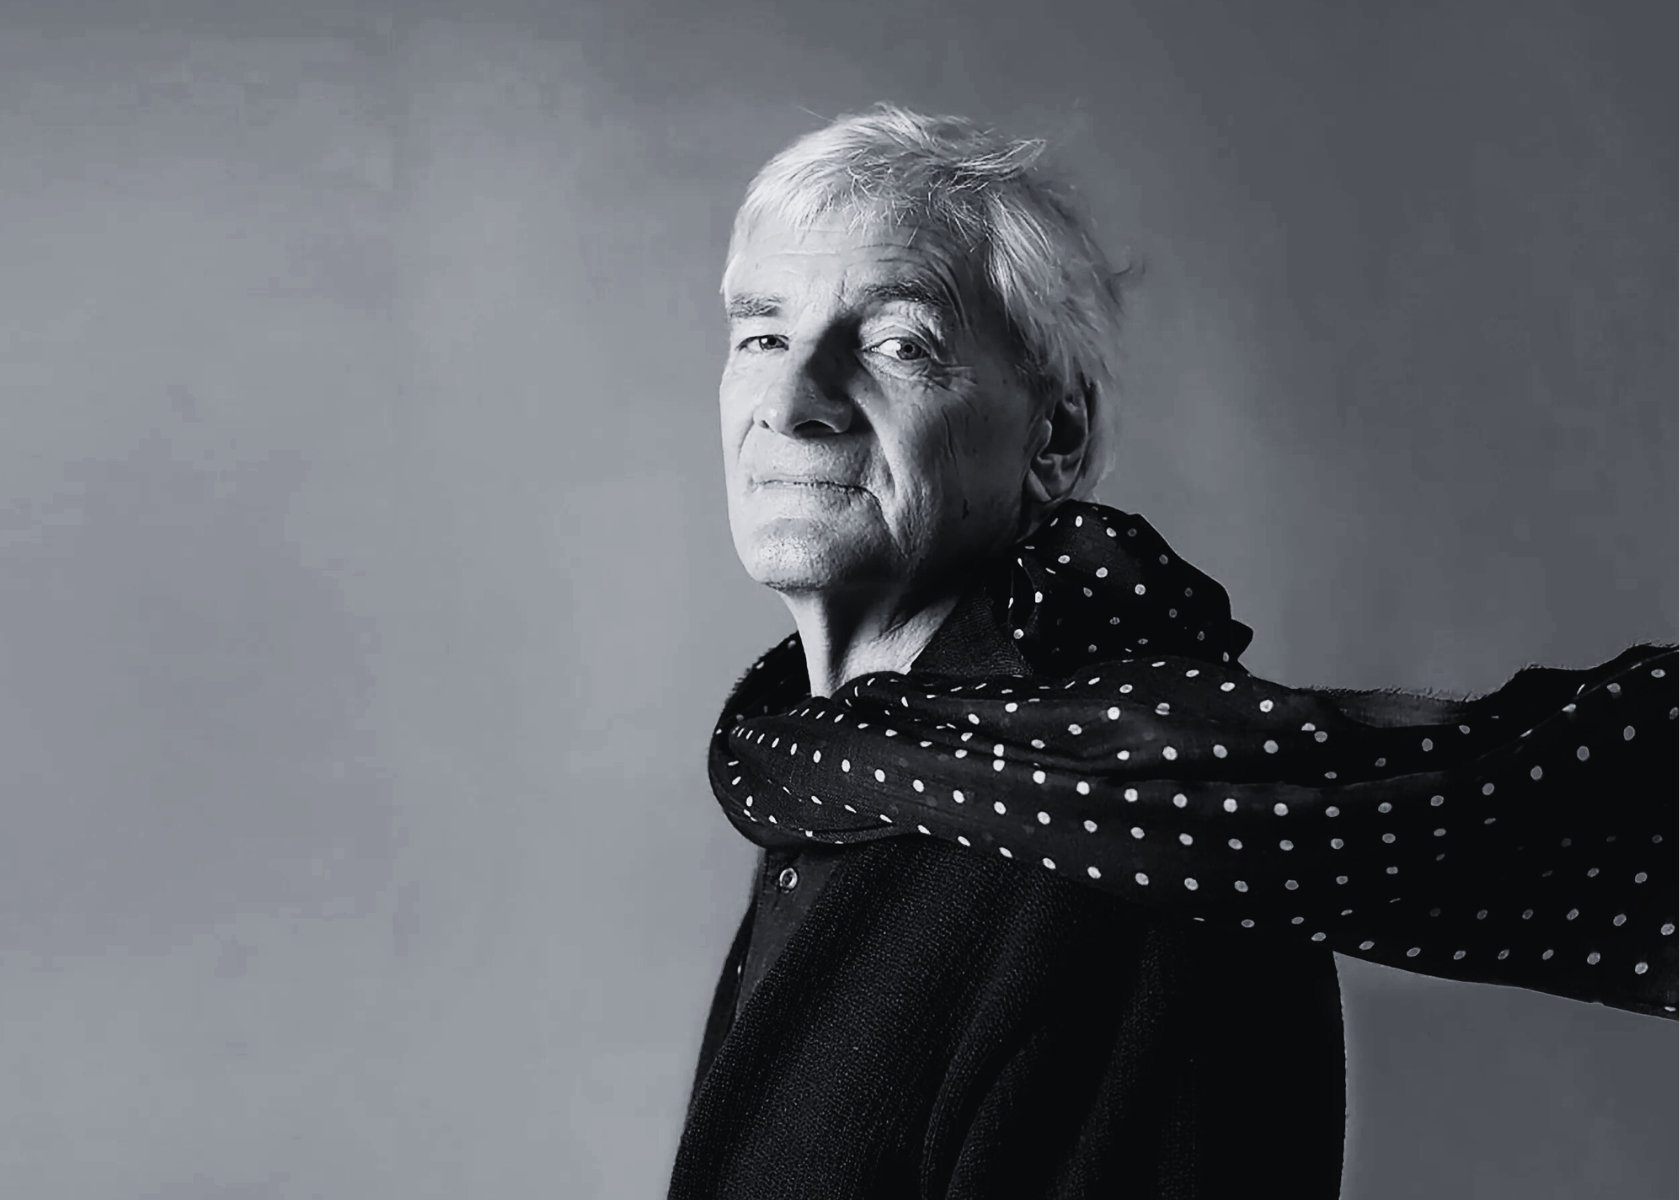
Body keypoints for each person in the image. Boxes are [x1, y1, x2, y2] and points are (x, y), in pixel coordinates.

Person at [666, 103, 1676, 1199]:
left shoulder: (1127, 840)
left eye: (899, 345)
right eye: (762, 336)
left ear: (1055, 439)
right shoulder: (823, 775)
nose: (793, 402)